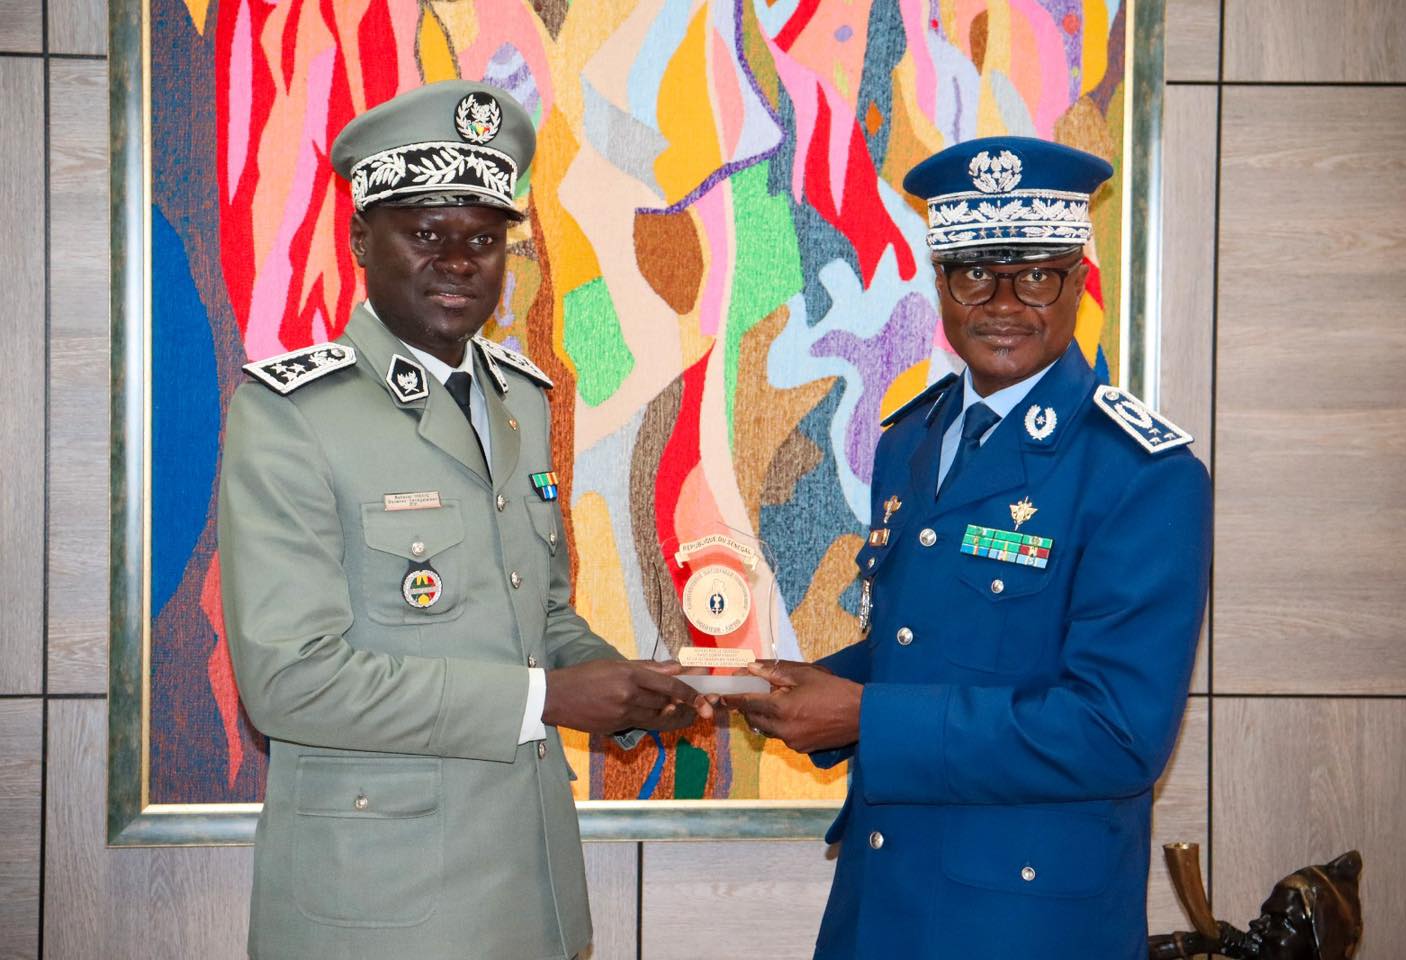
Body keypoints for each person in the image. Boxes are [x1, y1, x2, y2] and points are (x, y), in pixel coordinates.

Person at [218, 80, 707, 960]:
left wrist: (621, 687)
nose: (458, 260)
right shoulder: (291, 411)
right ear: (363, 239)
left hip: (530, 885)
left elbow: (537, 614)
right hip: (381, 902)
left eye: (483, 238)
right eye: (426, 234)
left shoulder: (517, 395)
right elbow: (289, 680)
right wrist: (549, 698)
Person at [727, 136, 1213, 959]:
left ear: (1079, 280)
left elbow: (1115, 734)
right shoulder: (912, 439)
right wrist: (797, 687)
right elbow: (927, 649)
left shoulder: (1140, 473)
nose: (1004, 303)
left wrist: (866, 717)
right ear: (940, 280)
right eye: (973, 272)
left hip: (1026, 923)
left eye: (1036, 274)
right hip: (882, 903)